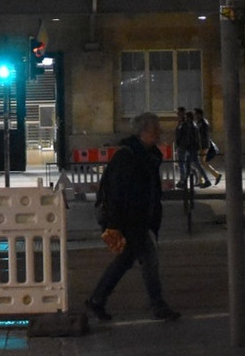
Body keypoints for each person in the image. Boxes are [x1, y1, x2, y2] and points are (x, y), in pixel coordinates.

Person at [85, 111, 181, 323]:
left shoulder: (147, 156)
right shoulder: (128, 157)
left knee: (125, 261)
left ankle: (97, 300)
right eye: (156, 130)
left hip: (139, 219)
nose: (160, 134)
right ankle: (158, 305)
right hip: (131, 221)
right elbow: (117, 193)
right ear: (144, 132)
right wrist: (114, 225)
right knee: (149, 261)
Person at [172, 107, 208, 188]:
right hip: (184, 146)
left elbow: (188, 136)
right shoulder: (183, 123)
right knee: (189, 164)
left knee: (185, 164)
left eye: (178, 113)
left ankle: (183, 180)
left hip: (184, 146)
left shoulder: (186, 124)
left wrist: (185, 147)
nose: (177, 115)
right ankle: (185, 179)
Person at [193, 108, 222, 186]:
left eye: (196, 114)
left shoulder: (203, 123)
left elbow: (203, 136)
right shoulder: (199, 123)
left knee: (202, 162)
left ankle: (216, 175)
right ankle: (200, 180)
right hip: (202, 145)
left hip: (204, 145)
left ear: (200, 114)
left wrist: (199, 145)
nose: (195, 116)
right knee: (200, 162)